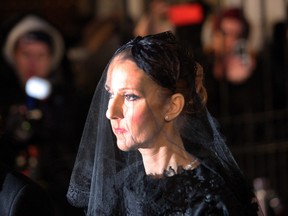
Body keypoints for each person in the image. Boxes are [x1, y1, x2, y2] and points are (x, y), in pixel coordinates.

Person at [67, 31, 260, 215]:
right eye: (110, 93)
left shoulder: (208, 199)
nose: (111, 112)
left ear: (172, 106)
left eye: (130, 97)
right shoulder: (120, 190)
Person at [0, 14, 85, 216]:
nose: (33, 64)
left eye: (40, 56)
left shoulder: (69, 104)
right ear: (13, 56)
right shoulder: (4, 101)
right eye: (26, 54)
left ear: (52, 58)